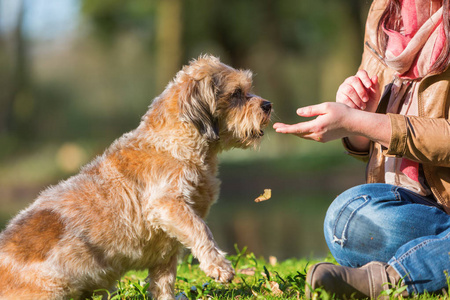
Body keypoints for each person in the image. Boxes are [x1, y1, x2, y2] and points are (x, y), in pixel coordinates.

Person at [273, 0, 450, 298]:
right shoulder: (385, 14)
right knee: (345, 221)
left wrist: (361, 121)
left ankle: (391, 279)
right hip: (418, 208)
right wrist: (356, 115)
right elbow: (370, 142)